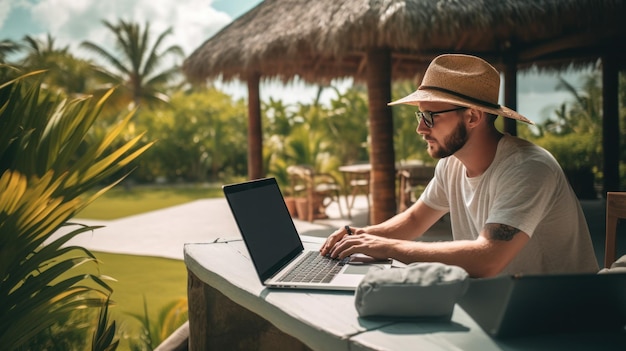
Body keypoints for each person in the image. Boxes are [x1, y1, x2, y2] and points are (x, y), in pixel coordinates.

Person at [320, 54, 599, 278]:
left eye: (430, 116)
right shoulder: (452, 164)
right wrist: (358, 235)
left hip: (559, 314)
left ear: (473, 117)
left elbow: (488, 258)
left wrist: (387, 247)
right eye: (420, 115)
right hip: (500, 302)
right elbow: (416, 220)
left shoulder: (528, 168)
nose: (420, 128)